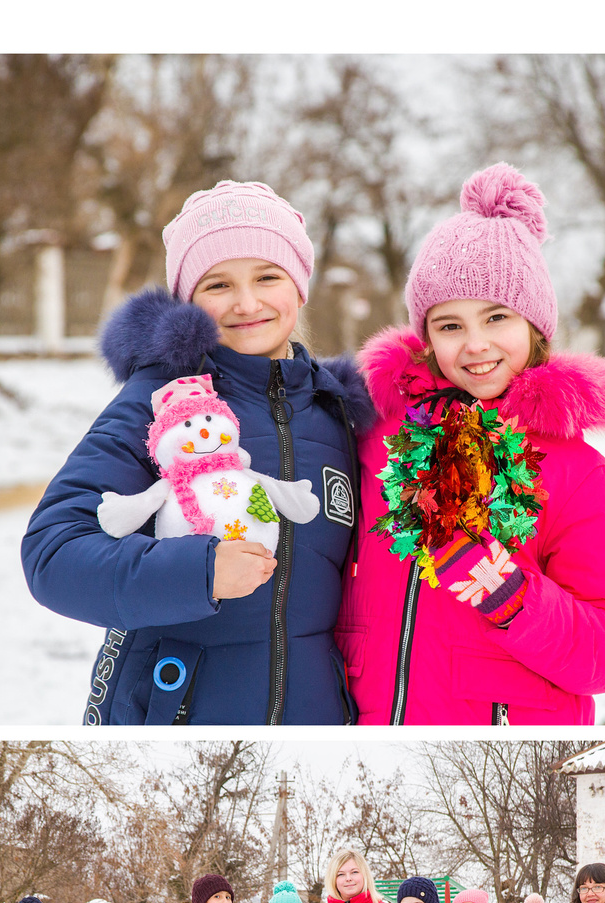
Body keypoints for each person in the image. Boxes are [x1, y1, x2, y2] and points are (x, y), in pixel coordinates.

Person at [22, 180, 369, 724]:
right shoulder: (162, 401)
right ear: (189, 303)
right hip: (176, 715)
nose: (247, 302)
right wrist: (198, 572)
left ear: (300, 287)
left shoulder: (339, 416)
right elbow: (53, 555)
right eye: (218, 284)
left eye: (267, 276)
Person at [339, 164, 605, 723]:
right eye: (449, 325)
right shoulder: (375, 441)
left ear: (535, 326)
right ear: (426, 337)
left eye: (496, 317)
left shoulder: (575, 471)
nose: (475, 344)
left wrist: (508, 593)